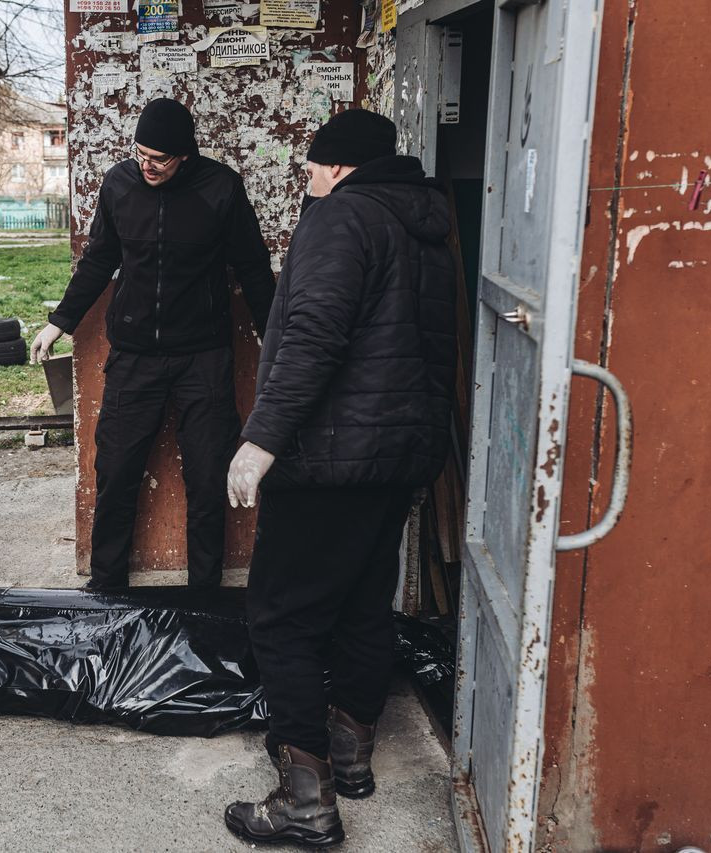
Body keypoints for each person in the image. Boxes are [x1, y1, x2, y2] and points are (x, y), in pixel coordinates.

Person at [221, 110, 457, 847]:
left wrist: (260, 439)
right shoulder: (427, 225)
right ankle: (351, 754)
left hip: (330, 457)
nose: (309, 180)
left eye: (315, 168)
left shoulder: (341, 217)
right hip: (398, 456)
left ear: (340, 168)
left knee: (281, 615)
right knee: (361, 601)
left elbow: (314, 335)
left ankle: (306, 801)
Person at [31, 98, 275, 590]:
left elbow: (251, 265)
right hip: (135, 357)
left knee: (208, 482)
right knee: (116, 475)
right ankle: (106, 592)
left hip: (203, 357)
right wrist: (60, 321)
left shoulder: (220, 187)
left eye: (158, 159)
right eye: (140, 153)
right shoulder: (120, 184)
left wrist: (275, 334)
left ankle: (204, 595)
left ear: (185, 155)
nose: (146, 166)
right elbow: (99, 260)